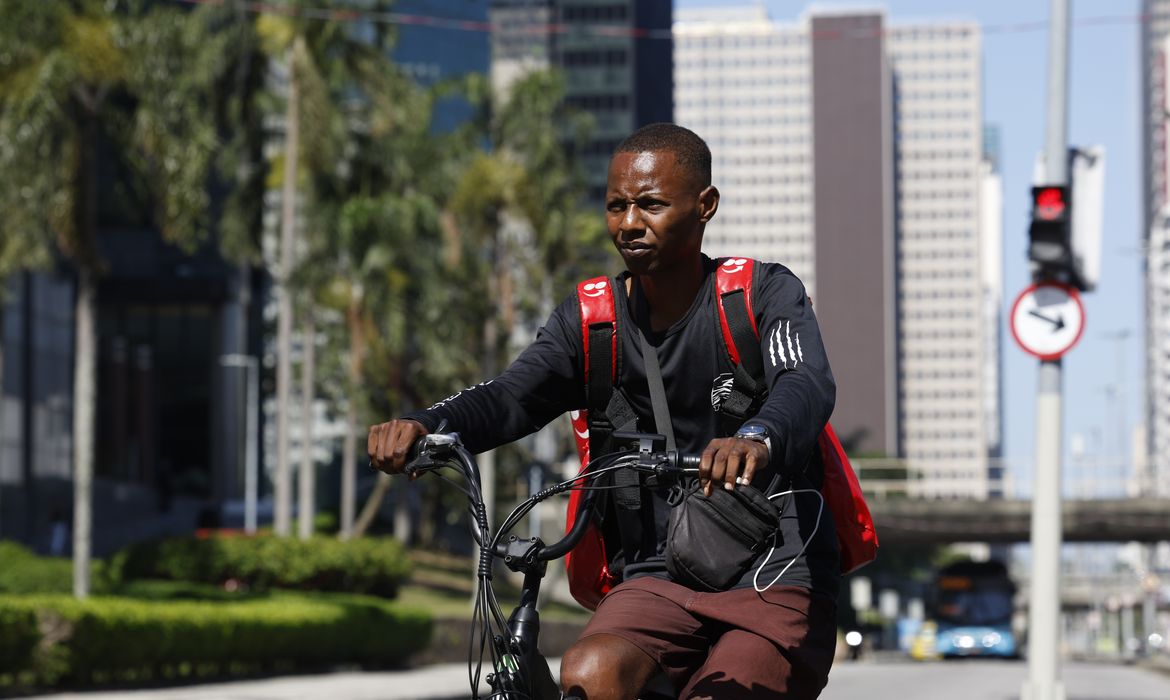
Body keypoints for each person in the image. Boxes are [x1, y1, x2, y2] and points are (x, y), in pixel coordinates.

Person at [369, 122, 839, 699]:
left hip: (774, 575)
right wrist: (425, 425)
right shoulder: (593, 323)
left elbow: (806, 382)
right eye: (616, 206)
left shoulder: (759, 295)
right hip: (655, 579)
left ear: (704, 206)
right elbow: (513, 395)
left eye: (651, 204)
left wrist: (758, 436)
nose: (629, 223)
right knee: (589, 673)